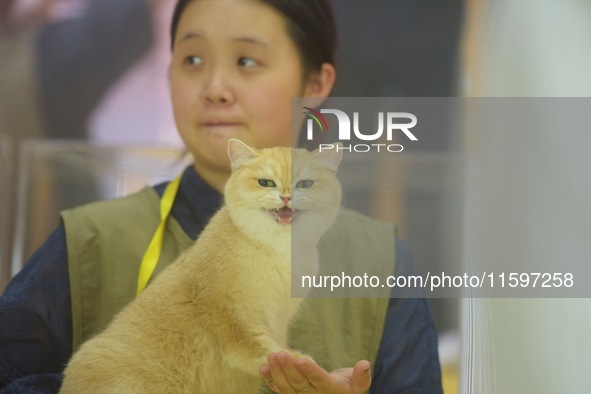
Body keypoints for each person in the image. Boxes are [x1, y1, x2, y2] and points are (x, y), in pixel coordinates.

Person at [0, 0, 443, 392]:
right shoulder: (87, 241)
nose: (215, 87)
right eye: (191, 58)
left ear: (314, 86)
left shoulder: (382, 262)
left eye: (247, 61)